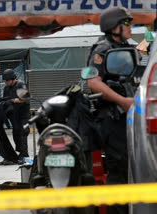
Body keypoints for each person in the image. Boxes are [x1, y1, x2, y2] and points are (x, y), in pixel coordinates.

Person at [87, 7, 135, 214]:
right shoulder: (103, 49)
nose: (131, 28)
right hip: (112, 117)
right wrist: (122, 101)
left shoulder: (125, 47)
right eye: (127, 24)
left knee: (131, 167)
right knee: (120, 168)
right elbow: (93, 82)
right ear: (115, 27)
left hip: (128, 115)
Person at [1, 69, 30, 164]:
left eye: (7, 80)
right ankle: (19, 152)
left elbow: (25, 99)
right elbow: (5, 100)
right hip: (14, 115)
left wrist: (13, 101)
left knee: (23, 133)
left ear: (12, 79)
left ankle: (24, 155)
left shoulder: (20, 85)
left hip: (23, 114)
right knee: (16, 134)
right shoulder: (6, 88)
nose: (6, 82)